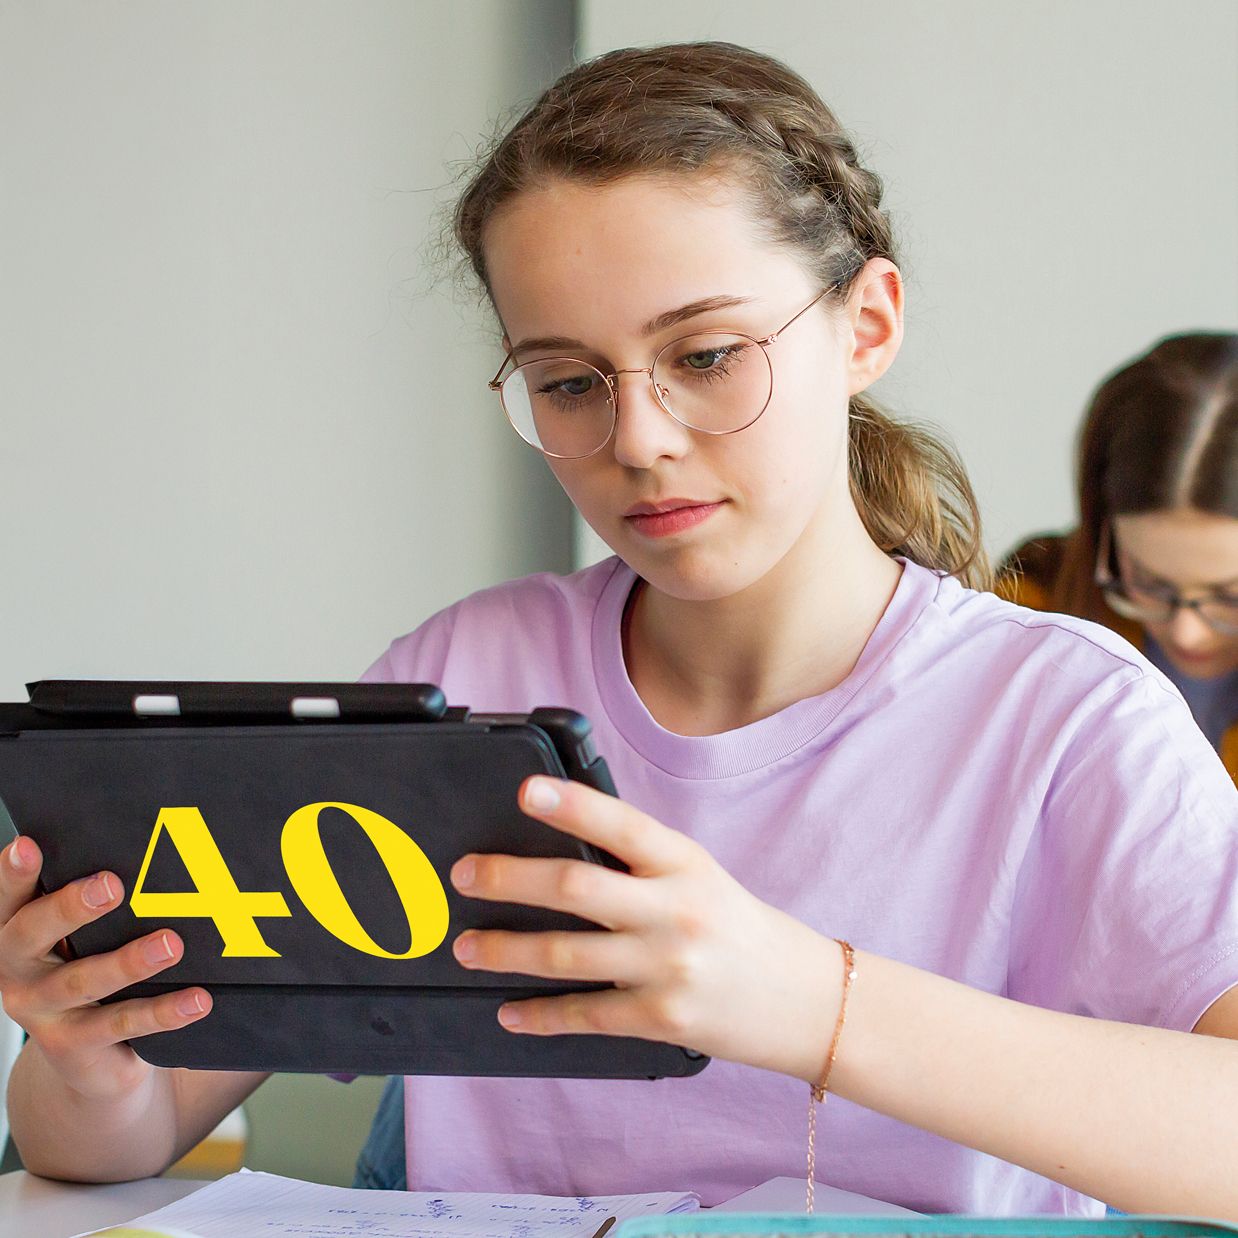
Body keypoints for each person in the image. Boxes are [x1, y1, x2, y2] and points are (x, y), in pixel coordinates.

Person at [3, 41, 1237, 1219]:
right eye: (568, 382)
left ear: (865, 325)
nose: (637, 439)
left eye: (705, 354)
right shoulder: (456, 677)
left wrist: (804, 1000)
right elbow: (121, 1135)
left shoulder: (1066, 717)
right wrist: (86, 1058)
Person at [999, 334, 1237, 783]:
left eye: (1230, 598)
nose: (1188, 633)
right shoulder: (1028, 604)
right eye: (1149, 584)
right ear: (1102, 531)